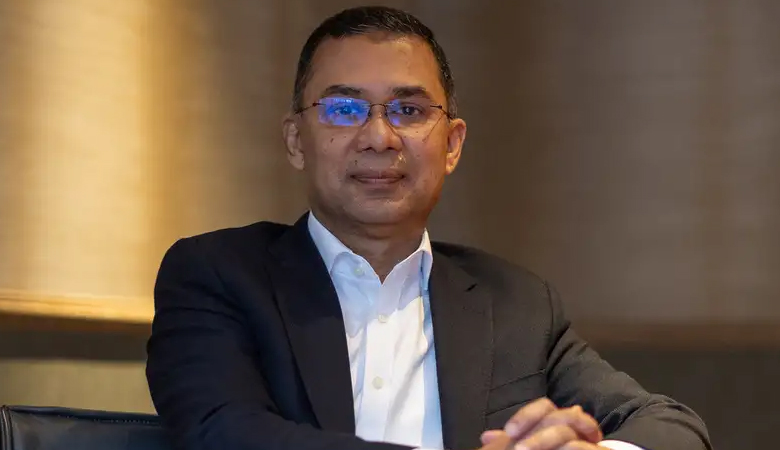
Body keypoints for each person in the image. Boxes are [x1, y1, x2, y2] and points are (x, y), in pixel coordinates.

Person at [145, 6, 711, 450]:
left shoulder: (516, 305)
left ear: (452, 145)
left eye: (409, 111)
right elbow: (224, 432)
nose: (379, 137)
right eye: (345, 109)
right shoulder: (218, 275)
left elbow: (670, 426)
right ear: (296, 141)